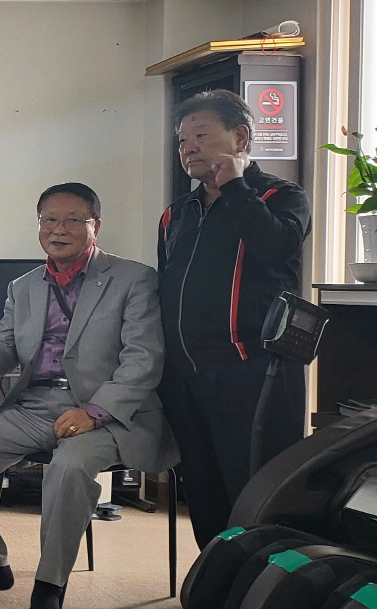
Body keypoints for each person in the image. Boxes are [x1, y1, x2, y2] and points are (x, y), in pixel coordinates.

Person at [0, 183, 179, 609]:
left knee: (68, 467)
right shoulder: (24, 286)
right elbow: (9, 342)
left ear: (96, 225)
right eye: (49, 220)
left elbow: (144, 359)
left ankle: (50, 584)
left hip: (108, 412)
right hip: (38, 404)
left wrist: (94, 411)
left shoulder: (133, 278)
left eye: (72, 220)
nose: (58, 229)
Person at [157, 90, 312, 548]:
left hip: (253, 370)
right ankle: (217, 585)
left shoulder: (280, 197)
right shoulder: (176, 214)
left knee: (256, 489)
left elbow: (275, 249)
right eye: (183, 139)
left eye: (201, 135)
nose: (188, 148)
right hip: (186, 374)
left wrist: (236, 187)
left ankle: (261, 593)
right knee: (202, 489)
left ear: (240, 136)